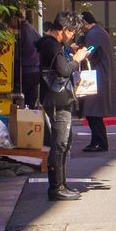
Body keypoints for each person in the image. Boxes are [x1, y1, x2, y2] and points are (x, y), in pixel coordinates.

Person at [39, 12, 90, 200]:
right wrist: (77, 59)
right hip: (57, 100)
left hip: (58, 99)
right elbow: (63, 70)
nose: (73, 36)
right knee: (59, 144)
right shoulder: (51, 46)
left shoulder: (53, 44)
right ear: (63, 29)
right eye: (72, 32)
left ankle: (61, 184)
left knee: (64, 143)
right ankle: (56, 188)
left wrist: (71, 53)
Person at [78, 9, 116, 152]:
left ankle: (100, 142)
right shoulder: (98, 32)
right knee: (92, 112)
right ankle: (96, 141)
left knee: (93, 111)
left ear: (84, 22)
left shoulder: (95, 34)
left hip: (95, 78)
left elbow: (89, 51)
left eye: (80, 24)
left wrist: (77, 49)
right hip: (97, 76)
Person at [16, 15, 42, 110]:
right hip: (35, 71)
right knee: (31, 104)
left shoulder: (22, 31)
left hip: (25, 71)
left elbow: (16, 54)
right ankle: (29, 122)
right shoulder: (32, 29)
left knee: (18, 101)